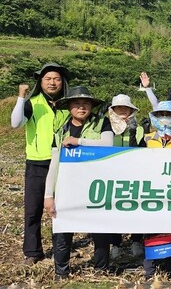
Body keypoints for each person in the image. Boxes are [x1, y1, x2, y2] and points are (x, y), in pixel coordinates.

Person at [42, 86, 114, 280]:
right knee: (63, 231)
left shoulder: (102, 123)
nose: (81, 107)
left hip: (96, 186)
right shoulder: (60, 128)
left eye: (86, 103)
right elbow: (54, 163)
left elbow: (108, 145)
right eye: (76, 103)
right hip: (67, 187)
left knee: (100, 231)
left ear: (91, 106)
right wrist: (49, 195)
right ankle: (61, 272)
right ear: (69, 106)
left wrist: (78, 141)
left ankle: (101, 270)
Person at [10, 63, 70, 265]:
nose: (53, 82)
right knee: (33, 209)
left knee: (61, 208)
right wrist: (21, 97)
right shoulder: (32, 103)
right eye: (48, 79)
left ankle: (62, 249)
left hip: (64, 163)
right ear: (41, 82)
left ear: (62, 82)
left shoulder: (68, 104)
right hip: (38, 162)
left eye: (57, 79)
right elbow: (16, 123)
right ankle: (33, 252)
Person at [142, 101, 171, 279]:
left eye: (169, 115)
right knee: (151, 228)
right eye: (161, 115)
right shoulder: (147, 138)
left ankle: (170, 267)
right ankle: (150, 268)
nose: (165, 119)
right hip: (151, 190)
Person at [106, 94, 147, 260]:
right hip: (112, 173)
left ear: (131, 109)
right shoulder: (107, 127)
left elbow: (143, 149)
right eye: (118, 107)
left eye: (125, 107)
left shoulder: (138, 128)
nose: (122, 110)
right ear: (113, 110)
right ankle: (115, 243)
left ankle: (136, 240)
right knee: (114, 208)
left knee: (135, 206)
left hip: (134, 173)